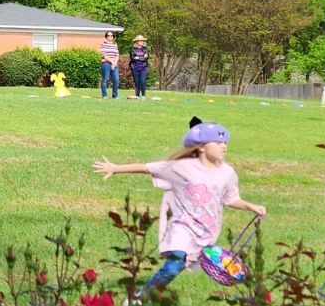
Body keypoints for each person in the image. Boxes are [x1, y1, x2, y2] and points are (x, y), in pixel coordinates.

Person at [92, 118, 266, 293]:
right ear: (202, 146)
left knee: (174, 270)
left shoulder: (227, 173)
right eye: (218, 142)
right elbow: (148, 168)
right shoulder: (182, 167)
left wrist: (252, 206)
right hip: (182, 226)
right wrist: (115, 168)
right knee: (175, 264)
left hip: (206, 232)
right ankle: (139, 299)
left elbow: (230, 199)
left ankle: (147, 295)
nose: (224, 146)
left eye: (225, 142)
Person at [99, 32, 120, 99]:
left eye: (111, 35)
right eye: (108, 35)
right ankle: (104, 95)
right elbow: (104, 55)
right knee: (105, 79)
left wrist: (115, 63)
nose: (110, 36)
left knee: (116, 80)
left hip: (114, 63)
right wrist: (112, 62)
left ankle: (115, 95)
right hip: (106, 64)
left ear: (113, 36)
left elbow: (117, 55)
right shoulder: (103, 44)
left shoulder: (115, 44)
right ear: (106, 36)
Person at [128, 35, 149, 99]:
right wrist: (142, 57)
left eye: (142, 40)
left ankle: (143, 95)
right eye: (140, 40)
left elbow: (146, 59)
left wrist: (138, 58)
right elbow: (132, 59)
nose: (141, 42)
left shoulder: (145, 49)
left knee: (142, 81)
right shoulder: (132, 50)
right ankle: (137, 95)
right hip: (134, 67)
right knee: (137, 82)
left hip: (143, 67)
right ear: (136, 42)